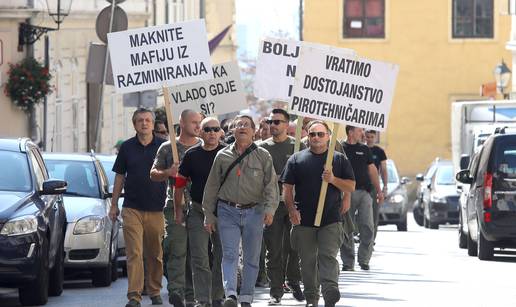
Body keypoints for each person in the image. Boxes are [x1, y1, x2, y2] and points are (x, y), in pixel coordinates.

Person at [203, 115, 279, 307]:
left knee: (252, 257)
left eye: (246, 125)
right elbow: (211, 187)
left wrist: (270, 209)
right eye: (238, 125)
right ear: (232, 131)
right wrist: (209, 215)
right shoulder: (222, 156)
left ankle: (246, 296)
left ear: (253, 131)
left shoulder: (263, 155)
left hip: (255, 211)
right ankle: (231, 294)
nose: (242, 127)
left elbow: (271, 186)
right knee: (229, 255)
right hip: (227, 211)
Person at [281, 120, 355, 307]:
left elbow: (350, 186)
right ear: (307, 136)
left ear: (329, 136)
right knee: (307, 261)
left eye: (320, 134)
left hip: (330, 218)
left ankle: (330, 291)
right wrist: (292, 211)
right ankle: (312, 298)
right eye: (312, 134)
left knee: (327, 256)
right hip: (303, 219)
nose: (316, 138)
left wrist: (332, 179)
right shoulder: (296, 159)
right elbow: (287, 188)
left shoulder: (338, 159)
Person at [109, 108, 167, 307]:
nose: (144, 123)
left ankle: (154, 291)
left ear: (152, 124)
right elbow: (119, 176)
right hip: (132, 207)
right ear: (134, 125)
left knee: (155, 254)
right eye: (140, 120)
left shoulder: (164, 146)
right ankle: (134, 296)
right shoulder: (127, 147)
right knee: (134, 253)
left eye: (148, 120)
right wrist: (114, 204)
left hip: (157, 208)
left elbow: (175, 174)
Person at [150, 109, 202, 307]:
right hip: (175, 206)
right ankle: (176, 292)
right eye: (194, 122)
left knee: (197, 252)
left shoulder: (204, 147)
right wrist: (168, 171)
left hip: (199, 207)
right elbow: (153, 173)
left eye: (200, 122)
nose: (198, 126)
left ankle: (192, 293)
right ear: (182, 123)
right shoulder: (167, 147)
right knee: (176, 249)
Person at [174, 117, 226, 307]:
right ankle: (203, 299)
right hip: (197, 210)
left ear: (221, 132)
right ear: (200, 132)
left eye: (216, 129)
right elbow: (179, 184)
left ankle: (218, 296)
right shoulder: (191, 155)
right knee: (199, 257)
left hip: (224, 212)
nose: (212, 132)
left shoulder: (228, 153)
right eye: (208, 129)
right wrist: (178, 211)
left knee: (222, 256)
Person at [259, 109, 305, 305]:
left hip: (294, 203)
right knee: (274, 249)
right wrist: (272, 179)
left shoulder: (298, 146)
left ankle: (294, 281)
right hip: (272, 205)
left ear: (287, 124)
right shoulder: (261, 148)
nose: (274, 125)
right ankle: (275, 290)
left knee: (295, 246)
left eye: (278, 121)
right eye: (271, 121)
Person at [340, 126, 384, 271]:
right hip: (346, 193)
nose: (363, 134)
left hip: (364, 192)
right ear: (351, 132)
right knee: (347, 228)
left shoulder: (365, 150)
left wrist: (379, 191)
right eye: (360, 131)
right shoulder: (340, 147)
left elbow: (372, 171)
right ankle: (348, 262)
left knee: (368, 226)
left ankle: (364, 259)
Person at [364, 130, 388, 239]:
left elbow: (383, 170)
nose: (369, 139)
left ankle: (372, 239)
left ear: (375, 137)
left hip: (374, 185)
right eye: (367, 136)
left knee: (374, 213)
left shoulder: (379, 152)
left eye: (371, 137)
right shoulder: (360, 149)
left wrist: (385, 186)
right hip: (360, 185)